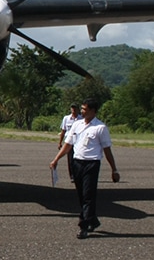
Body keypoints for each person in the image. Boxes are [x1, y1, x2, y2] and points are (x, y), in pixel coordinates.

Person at [49, 98, 120, 239]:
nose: (82, 111)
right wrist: (56, 159)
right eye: (82, 109)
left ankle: (83, 226)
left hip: (91, 164)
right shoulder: (76, 125)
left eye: (85, 109)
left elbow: (107, 150)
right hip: (77, 163)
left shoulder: (100, 128)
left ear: (93, 111)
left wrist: (114, 169)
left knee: (88, 195)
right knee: (81, 195)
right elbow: (68, 144)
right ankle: (92, 219)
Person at [58, 103, 80, 181]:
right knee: (70, 159)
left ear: (78, 109)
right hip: (69, 141)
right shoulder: (66, 118)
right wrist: (60, 142)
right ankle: (72, 176)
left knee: (78, 159)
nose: (73, 110)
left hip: (78, 141)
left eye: (75, 108)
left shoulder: (81, 119)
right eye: (72, 108)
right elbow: (63, 131)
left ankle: (78, 174)